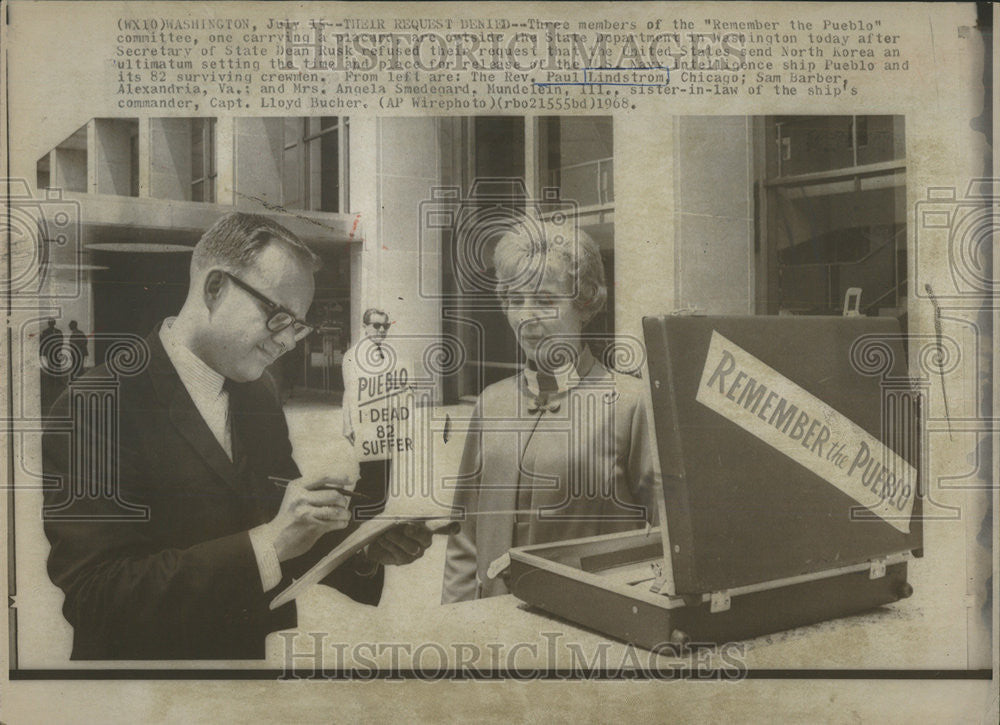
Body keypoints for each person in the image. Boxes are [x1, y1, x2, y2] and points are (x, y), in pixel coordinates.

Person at [43, 212, 441, 660]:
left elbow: (284, 527)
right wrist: (269, 543)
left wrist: (361, 548)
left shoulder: (258, 394)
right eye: (278, 317)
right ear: (215, 288)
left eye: (299, 326)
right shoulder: (97, 403)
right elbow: (96, 595)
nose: (289, 341)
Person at [441, 223, 659, 603]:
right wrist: (455, 625)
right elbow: (465, 536)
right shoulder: (491, 402)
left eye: (543, 300)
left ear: (585, 303)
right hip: (491, 633)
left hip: (590, 633)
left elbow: (665, 540)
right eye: (514, 299)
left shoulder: (632, 403)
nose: (526, 317)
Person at [341, 308, 393, 519]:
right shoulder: (354, 356)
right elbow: (350, 392)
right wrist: (349, 425)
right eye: (376, 325)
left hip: (383, 426)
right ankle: (351, 526)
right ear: (365, 327)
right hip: (366, 427)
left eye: (385, 326)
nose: (381, 330)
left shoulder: (384, 354)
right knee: (373, 481)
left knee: (382, 480)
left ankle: (364, 524)